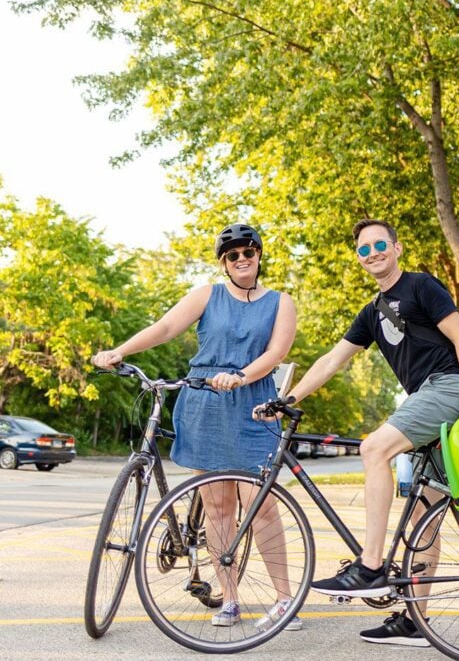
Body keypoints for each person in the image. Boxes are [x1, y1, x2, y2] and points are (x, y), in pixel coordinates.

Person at [271, 218, 459, 647]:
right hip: (426, 396)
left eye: (379, 245)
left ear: (397, 247)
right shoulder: (371, 313)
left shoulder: (422, 286)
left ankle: (370, 565)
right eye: (364, 249)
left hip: (447, 388)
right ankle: (415, 621)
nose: (373, 254)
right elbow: (332, 361)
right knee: (426, 516)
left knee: (374, 449)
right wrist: (289, 399)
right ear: (359, 258)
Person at [91, 223, 302, 631]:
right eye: (233, 255)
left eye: (248, 252)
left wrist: (241, 376)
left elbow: (276, 353)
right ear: (224, 263)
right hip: (204, 403)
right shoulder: (208, 294)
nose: (242, 259)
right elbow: (166, 328)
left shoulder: (280, 302)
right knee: (219, 507)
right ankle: (231, 599)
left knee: (261, 505)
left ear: (259, 255)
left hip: (251, 403)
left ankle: (283, 599)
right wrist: (121, 350)